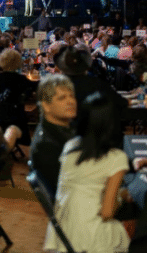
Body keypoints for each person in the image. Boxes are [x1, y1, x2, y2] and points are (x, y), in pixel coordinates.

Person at [44, 93, 129, 253]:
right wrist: (121, 196)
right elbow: (107, 212)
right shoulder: (116, 158)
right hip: (89, 237)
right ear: (112, 123)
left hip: (61, 231)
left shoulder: (70, 146)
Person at [29, 74, 77, 199]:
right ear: (46, 105)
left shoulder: (65, 128)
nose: (70, 101)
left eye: (72, 96)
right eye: (62, 98)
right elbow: (69, 191)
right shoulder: (46, 145)